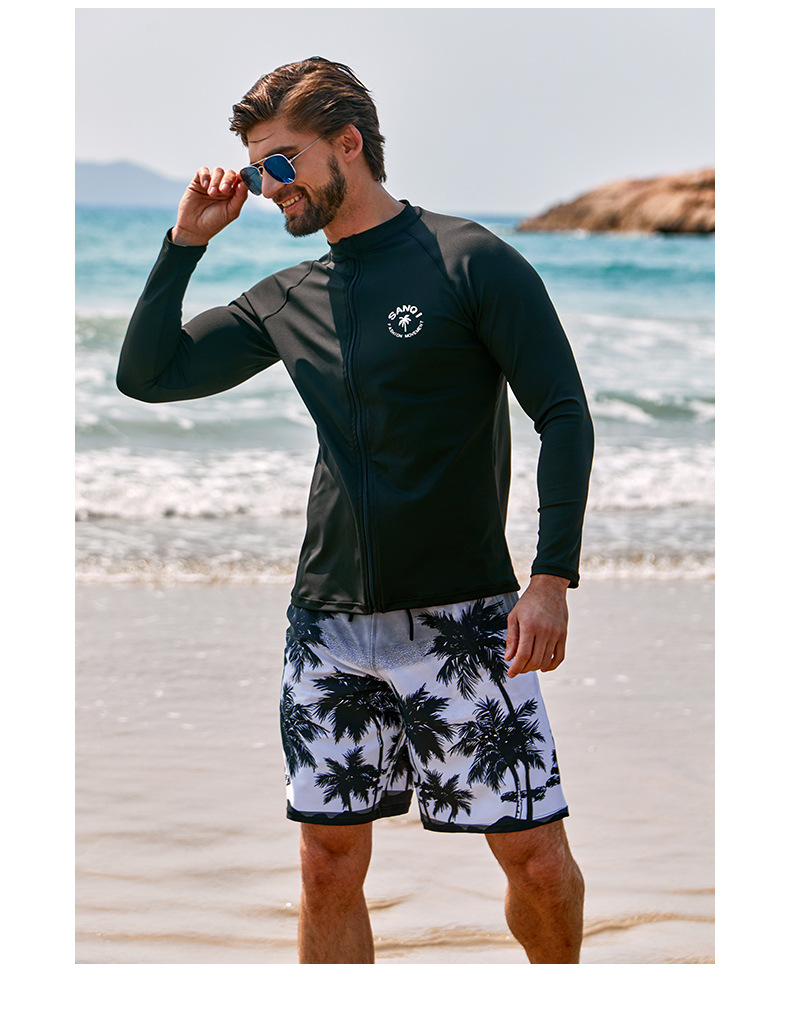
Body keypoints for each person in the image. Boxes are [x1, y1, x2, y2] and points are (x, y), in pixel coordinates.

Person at [117, 57, 594, 964]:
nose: (268, 187)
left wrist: (551, 577)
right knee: (326, 866)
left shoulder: (468, 260)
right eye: (257, 168)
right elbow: (147, 375)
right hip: (328, 627)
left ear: (348, 144)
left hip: (466, 620)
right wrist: (184, 244)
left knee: (535, 860)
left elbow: (563, 412)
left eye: (281, 162)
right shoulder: (291, 296)